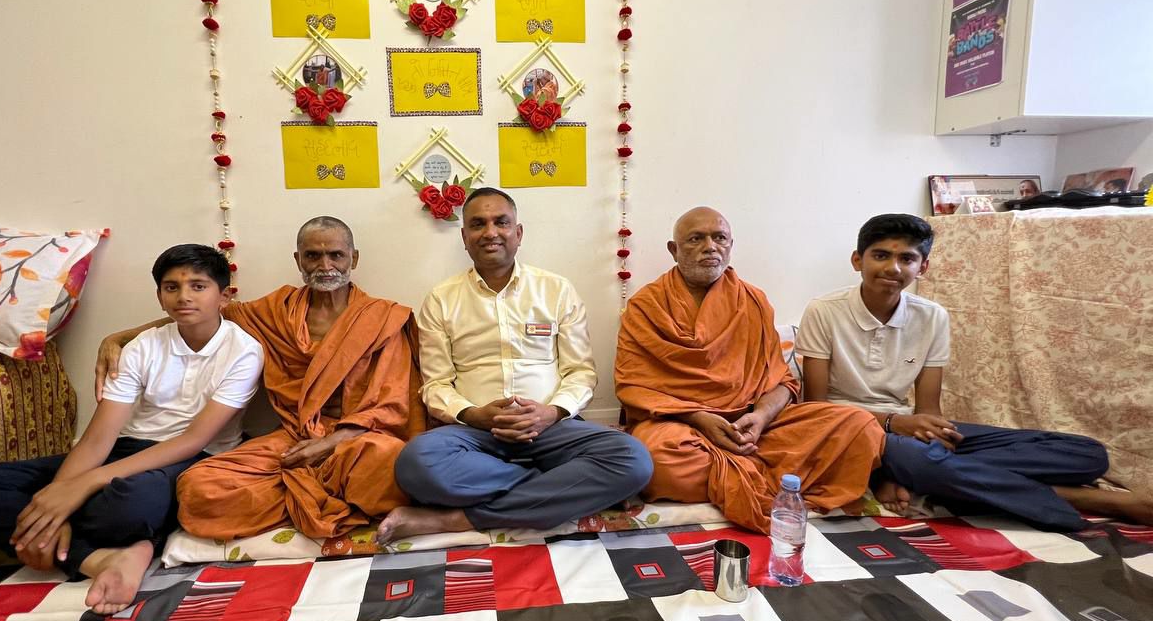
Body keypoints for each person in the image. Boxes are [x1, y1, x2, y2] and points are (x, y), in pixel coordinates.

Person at [0, 245, 263, 615]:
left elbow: (193, 440)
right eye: (171, 287)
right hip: (127, 448)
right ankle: (101, 556)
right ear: (159, 296)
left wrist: (83, 486)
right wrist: (59, 501)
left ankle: (23, 531)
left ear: (224, 296)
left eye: (198, 286)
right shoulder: (142, 346)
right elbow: (97, 439)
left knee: (131, 505)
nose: (184, 296)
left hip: (191, 459)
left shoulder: (243, 351)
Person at [797, 213, 1152, 529]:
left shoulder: (932, 316)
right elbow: (817, 410)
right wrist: (893, 424)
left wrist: (930, 433)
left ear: (923, 267)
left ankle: (914, 472)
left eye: (907, 258)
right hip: (850, 431)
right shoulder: (824, 311)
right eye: (880, 255)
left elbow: (929, 407)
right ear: (857, 260)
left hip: (906, 428)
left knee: (1088, 454)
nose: (893, 268)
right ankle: (1081, 498)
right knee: (920, 460)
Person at [96, 217, 422, 542]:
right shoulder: (275, 312)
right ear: (298, 260)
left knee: (392, 462)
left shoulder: (382, 318)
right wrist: (118, 338)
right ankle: (324, 496)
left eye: (336, 255)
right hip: (293, 437)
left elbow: (391, 406)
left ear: (354, 258)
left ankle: (308, 494)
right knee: (198, 487)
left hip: (357, 440)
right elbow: (205, 314)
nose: (325, 266)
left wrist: (329, 443)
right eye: (313, 256)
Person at [380, 188, 652, 543]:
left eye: (501, 222)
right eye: (478, 224)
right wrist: (476, 415)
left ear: (518, 233)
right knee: (416, 463)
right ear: (464, 238)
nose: (490, 232)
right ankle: (564, 487)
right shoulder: (441, 300)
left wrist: (551, 412)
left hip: (552, 429)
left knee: (633, 459)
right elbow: (436, 385)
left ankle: (459, 519)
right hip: (476, 435)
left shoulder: (556, 290)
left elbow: (581, 372)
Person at [614, 207, 883, 533]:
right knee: (656, 460)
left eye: (719, 238)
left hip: (754, 428)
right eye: (696, 239)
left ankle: (737, 473)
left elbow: (782, 381)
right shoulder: (646, 306)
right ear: (674, 250)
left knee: (860, 426)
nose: (710, 247)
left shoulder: (753, 300)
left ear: (731, 245)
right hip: (682, 426)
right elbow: (632, 386)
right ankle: (772, 477)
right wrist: (700, 418)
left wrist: (760, 418)